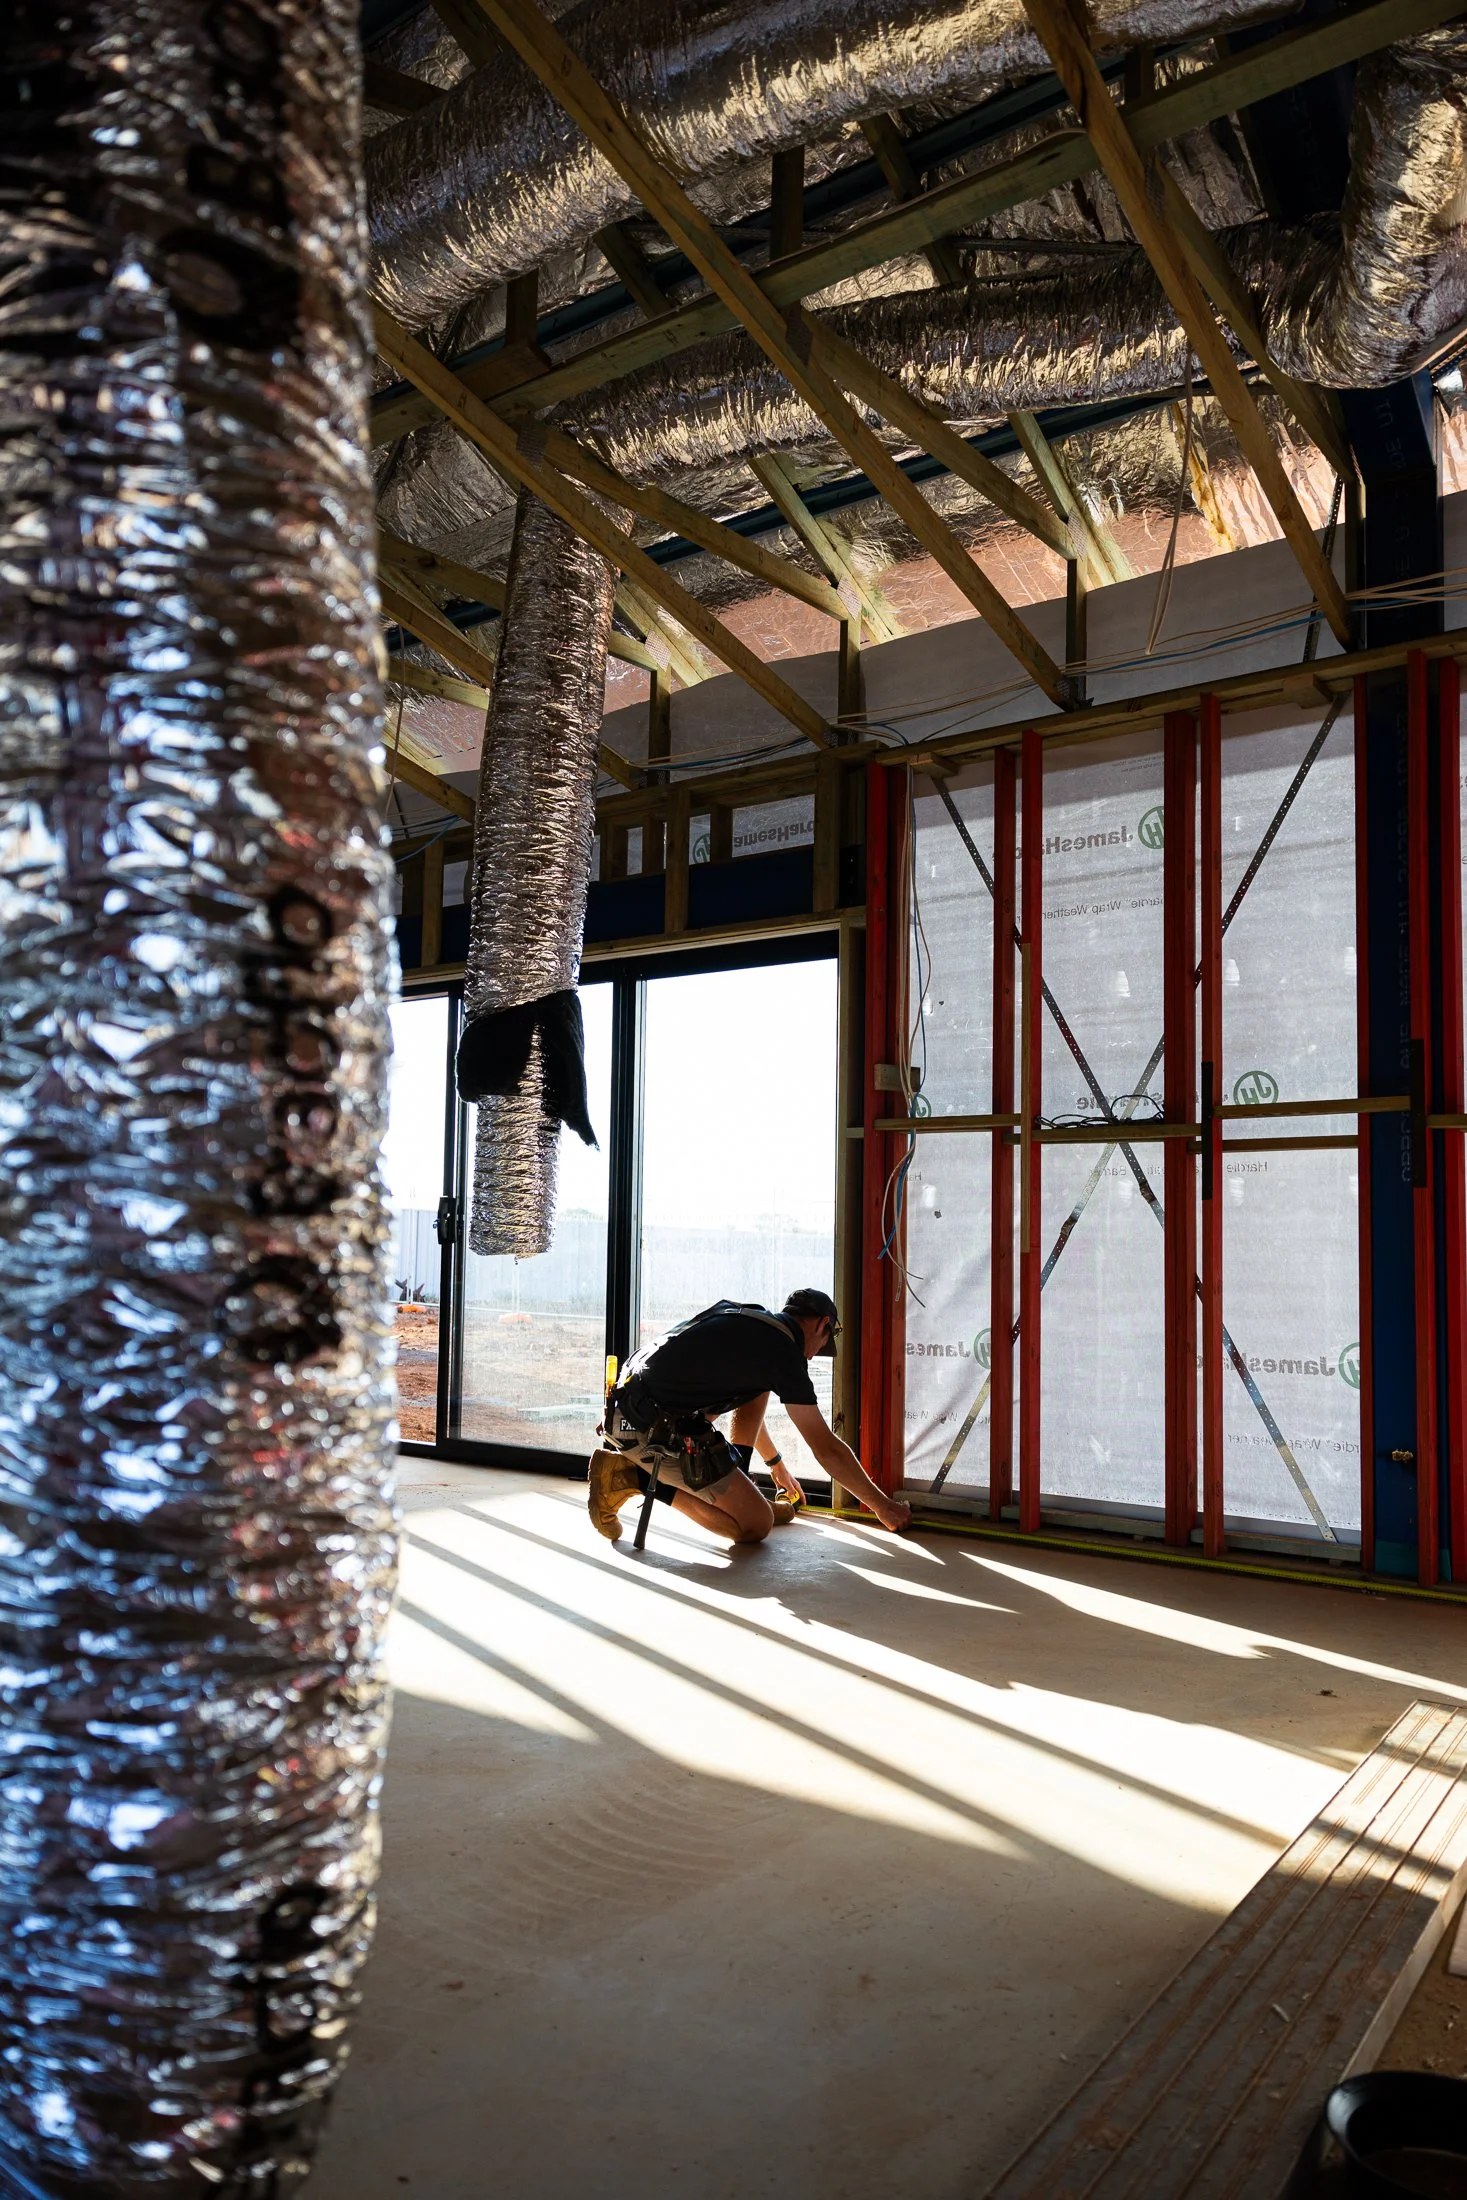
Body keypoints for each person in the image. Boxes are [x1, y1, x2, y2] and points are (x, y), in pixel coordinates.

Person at [588, 1288, 912, 1544]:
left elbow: (745, 1401)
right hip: (646, 1426)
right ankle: (631, 1477)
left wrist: (777, 1467)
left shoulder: (752, 1322)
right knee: (755, 1524)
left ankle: (741, 1492)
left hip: (628, 1405)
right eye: (823, 1345)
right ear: (822, 1325)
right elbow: (826, 1447)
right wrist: (883, 1507)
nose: (813, 1356)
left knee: (759, 1390)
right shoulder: (785, 1355)